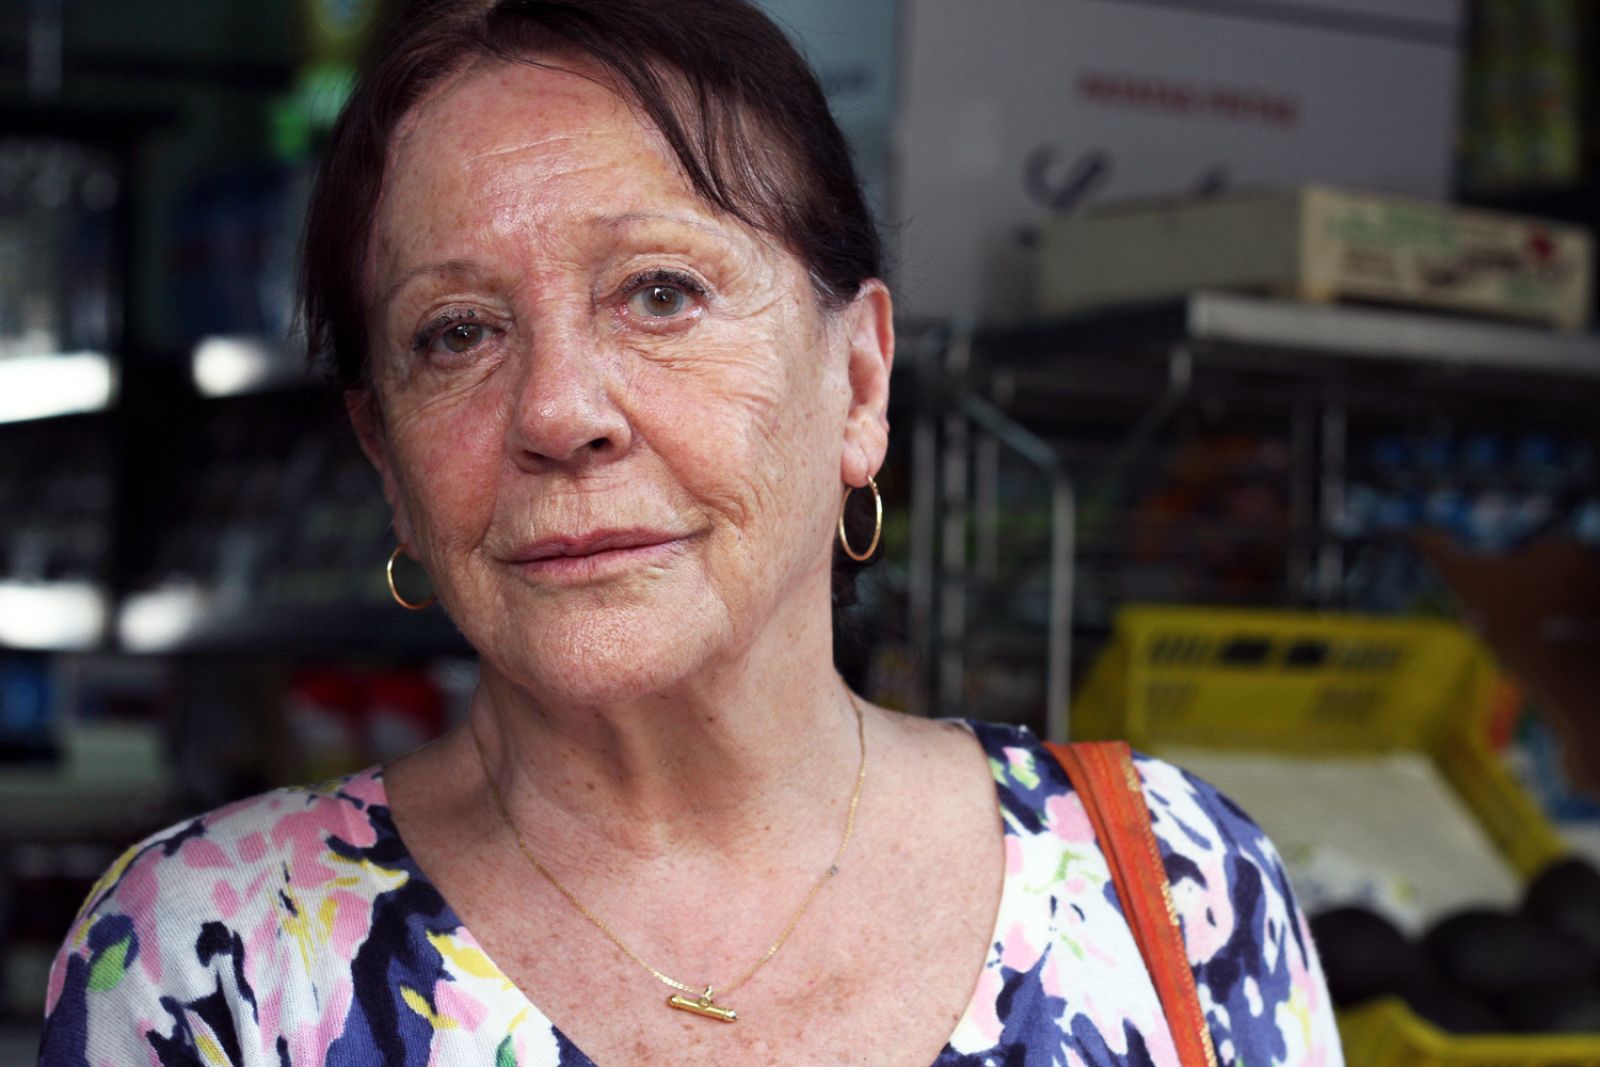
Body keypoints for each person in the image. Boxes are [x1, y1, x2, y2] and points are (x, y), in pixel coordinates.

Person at [40, 1, 1343, 1063]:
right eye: (457, 333)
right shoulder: (212, 966)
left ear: (861, 382)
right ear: (388, 458)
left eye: (660, 293)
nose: (558, 412)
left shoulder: (1178, 889)